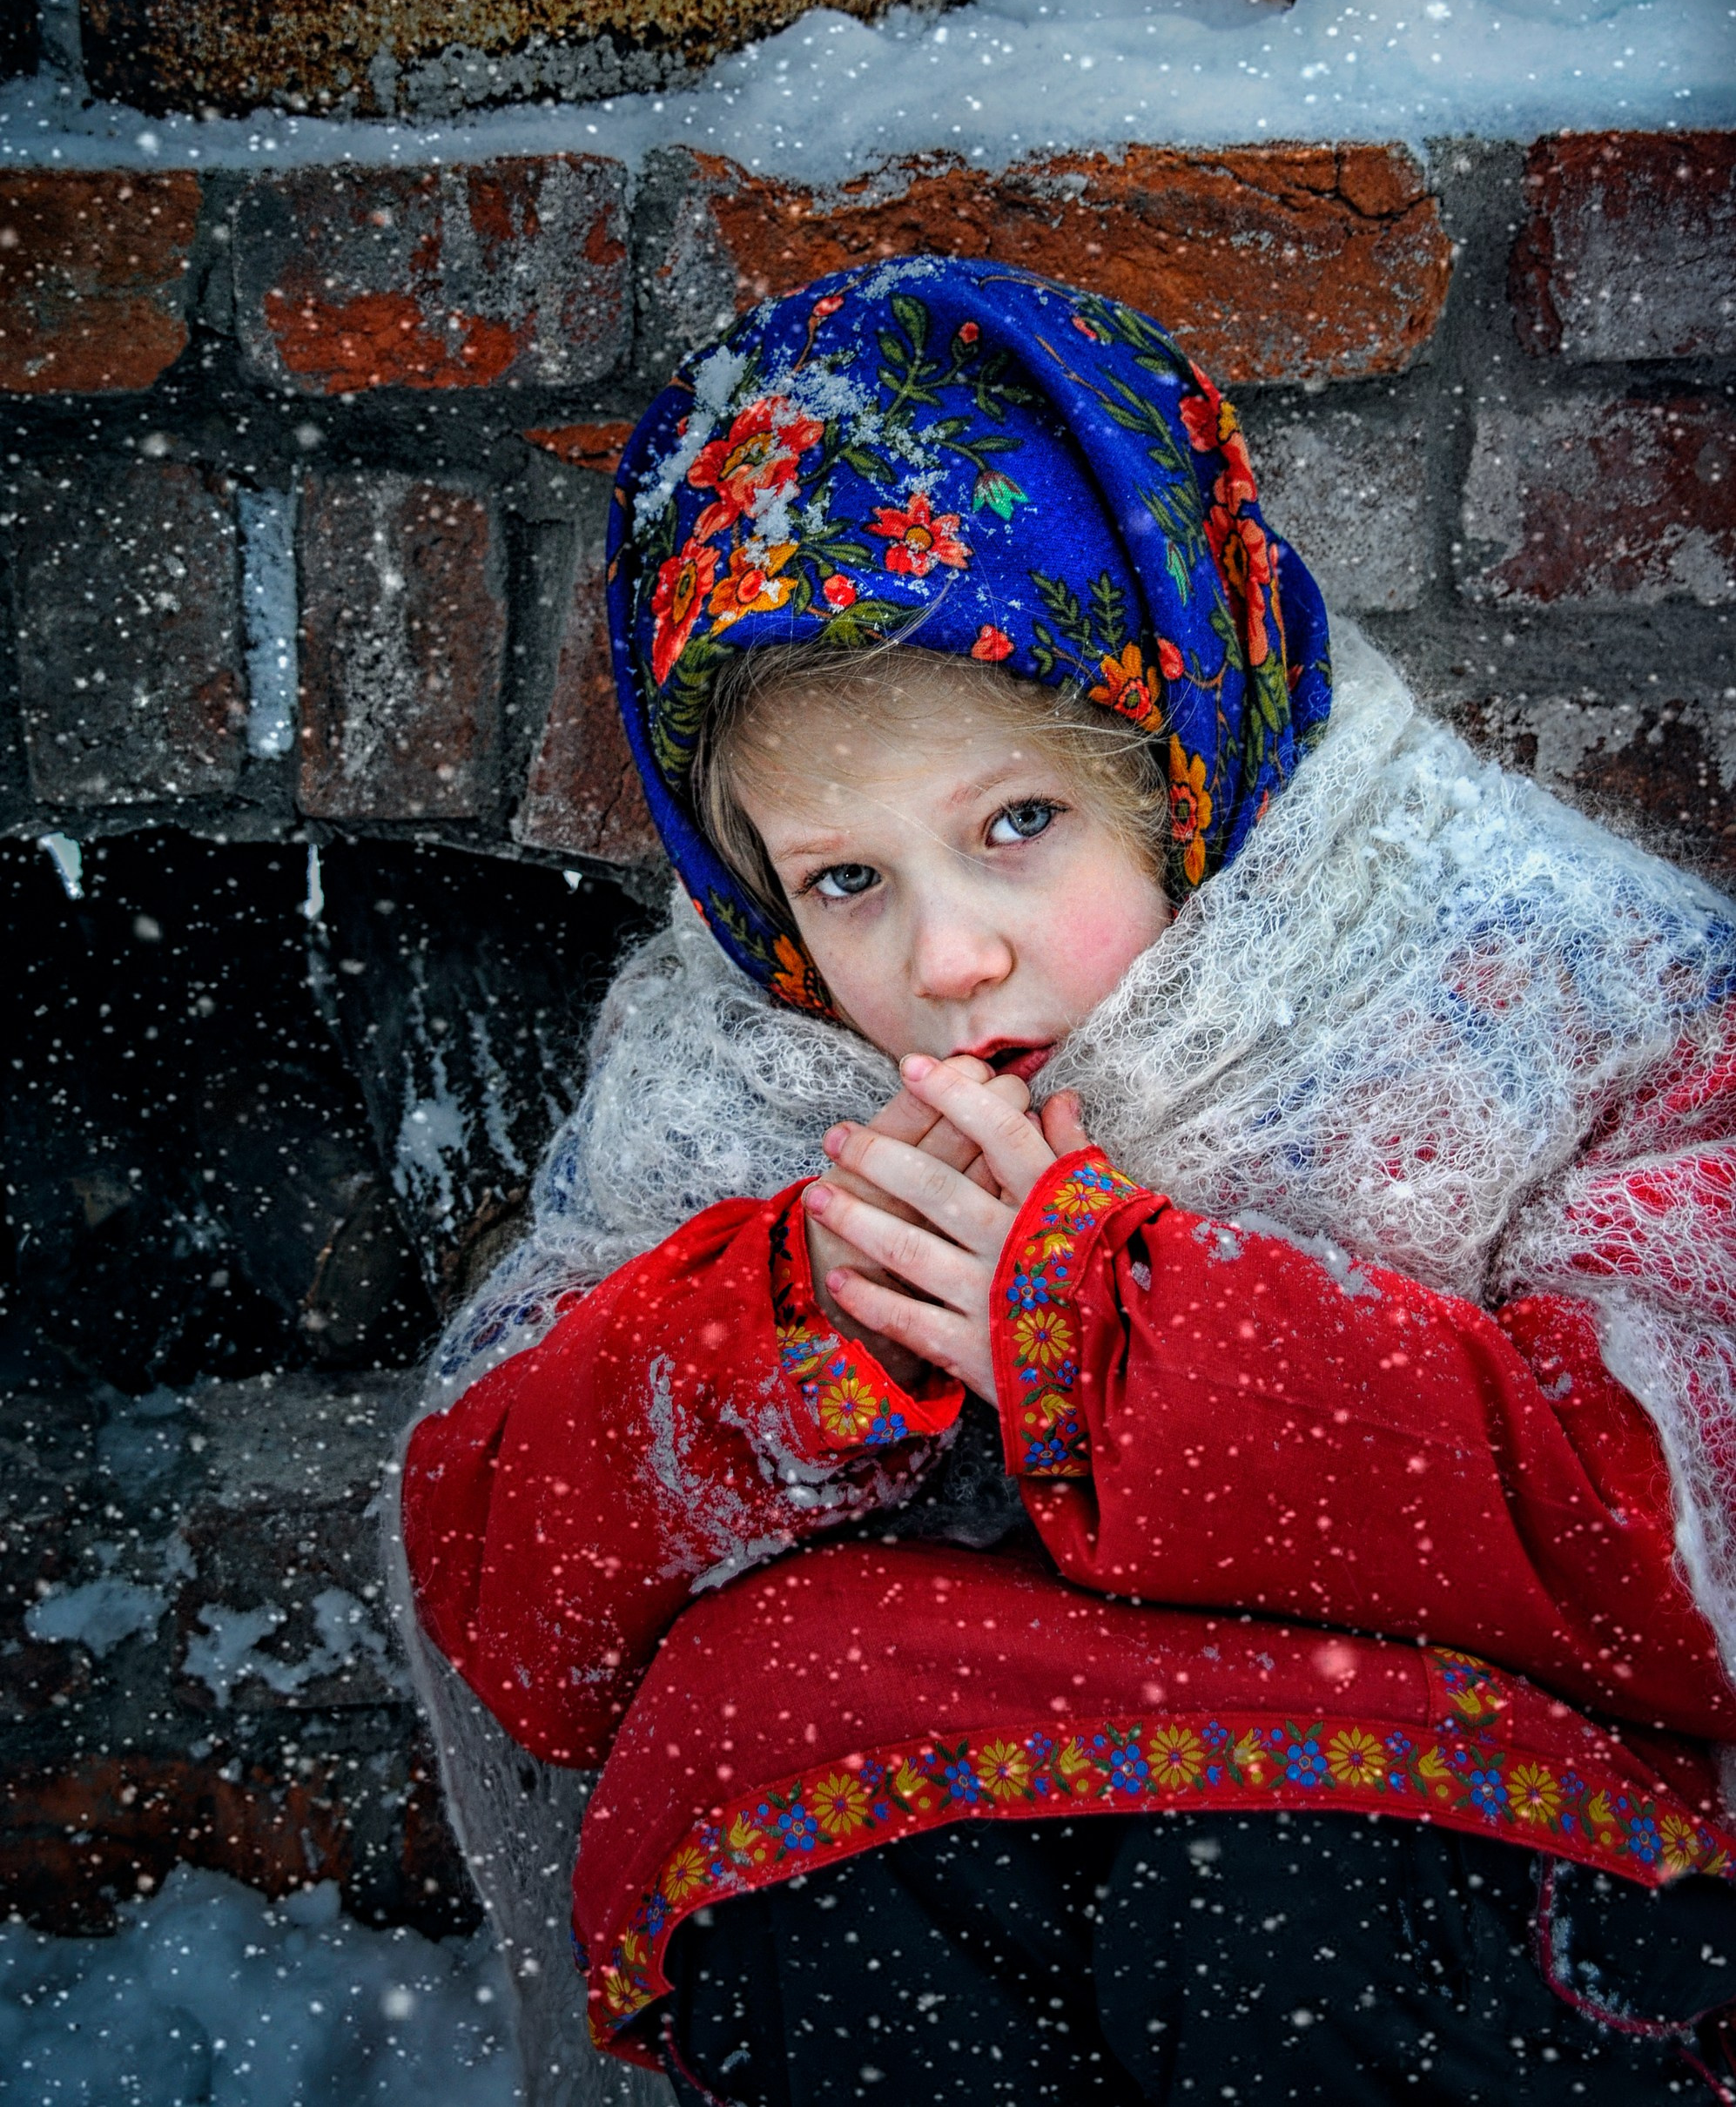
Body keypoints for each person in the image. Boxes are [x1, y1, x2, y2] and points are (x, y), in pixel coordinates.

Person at [397, 258, 1736, 2105]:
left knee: (1270, 1904)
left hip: (1403, 1815)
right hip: (934, 1789)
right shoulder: (733, 1063)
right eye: (845, 881)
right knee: (813, 1827)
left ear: (1185, 755)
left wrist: (1113, 1340)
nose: (946, 958)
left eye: (1017, 823)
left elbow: (1678, 1523)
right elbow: (508, 1587)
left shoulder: (1531, 976)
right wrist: (796, 1323)